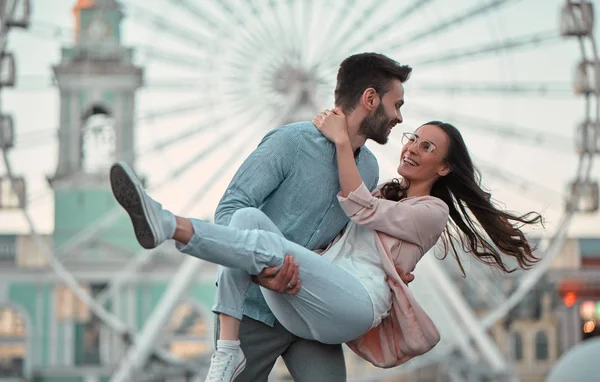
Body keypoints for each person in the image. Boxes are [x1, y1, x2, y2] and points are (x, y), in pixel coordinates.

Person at [109, 113, 542, 381]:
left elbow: (358, 209)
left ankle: (168, 224)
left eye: (426, 146)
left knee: (263, 241)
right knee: (247, 223)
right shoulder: (383, 188)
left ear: (444, 167)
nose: (410, 146)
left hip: (356, 304)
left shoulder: (430, 211)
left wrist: (339, 140)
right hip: (313, 294)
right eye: (412, 136)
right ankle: (227, 350)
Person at [210, 52, 411, 382]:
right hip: (254, 308)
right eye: (397, 104)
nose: (400, 117)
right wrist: (264, 274)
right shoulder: (290, 143)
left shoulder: (369, 169)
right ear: (370, 99)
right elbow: (231, 211)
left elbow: (349, 241)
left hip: (310, 310)